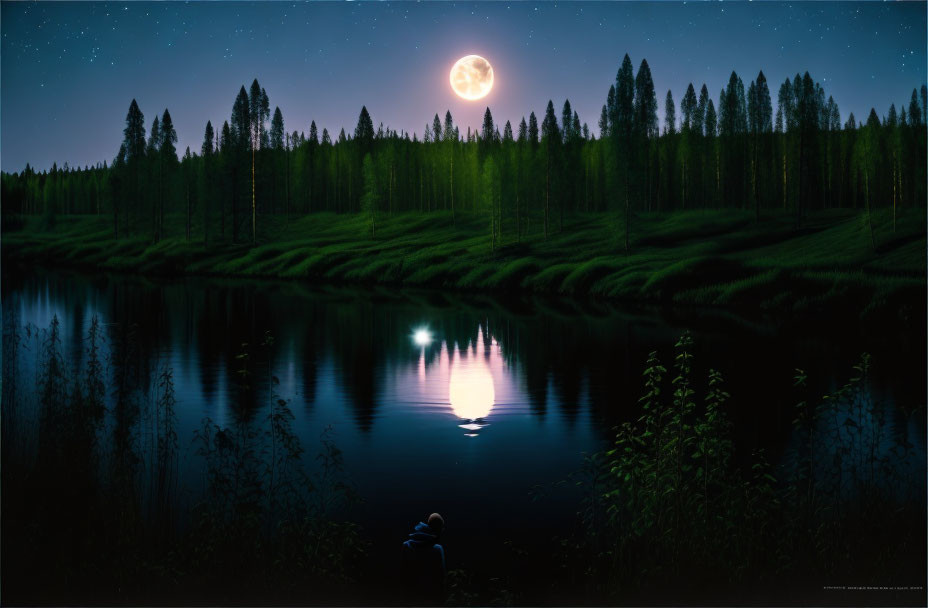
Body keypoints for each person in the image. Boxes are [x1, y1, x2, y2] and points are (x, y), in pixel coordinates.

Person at [401, 512, 446, 604]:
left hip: (410, 595)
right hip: (430, 596)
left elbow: (403, 572)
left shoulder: (406, 545)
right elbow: (441, 577)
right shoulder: (438, 549)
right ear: (440, 529)